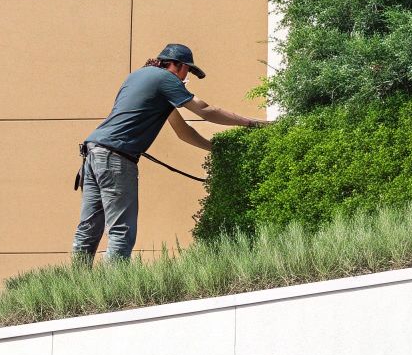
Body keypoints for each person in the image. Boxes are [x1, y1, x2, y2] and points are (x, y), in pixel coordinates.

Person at [72, 43, 266, 262]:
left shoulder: (140, 78)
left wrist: (216, 149)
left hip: (93, 152)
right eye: (188, 70)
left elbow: (183, 132)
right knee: (121, 230)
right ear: (177, 65)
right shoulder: (165, 79)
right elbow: (206, 111)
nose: (186, 77)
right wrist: (254, 124)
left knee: (89, 227)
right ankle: (111, 291)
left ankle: (76, 285)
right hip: (116, 157)